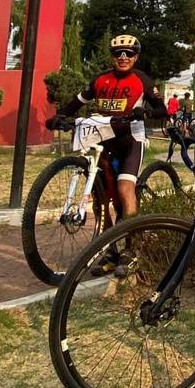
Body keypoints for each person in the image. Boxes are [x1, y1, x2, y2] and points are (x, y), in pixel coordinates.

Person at [51, 34, 165, 277]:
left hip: (131, 141)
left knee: (124, 191)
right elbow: (77, 102)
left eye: (129, 53)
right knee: (100, 200)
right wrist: (59, 115)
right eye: (117, 53)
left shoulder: (141, 79)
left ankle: (131, 251)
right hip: (103, 141)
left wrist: (143, 112)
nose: (123, 58)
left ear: (136, 56)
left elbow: (160, 109)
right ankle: (111, 251)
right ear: (112, 56)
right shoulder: (100, 80)